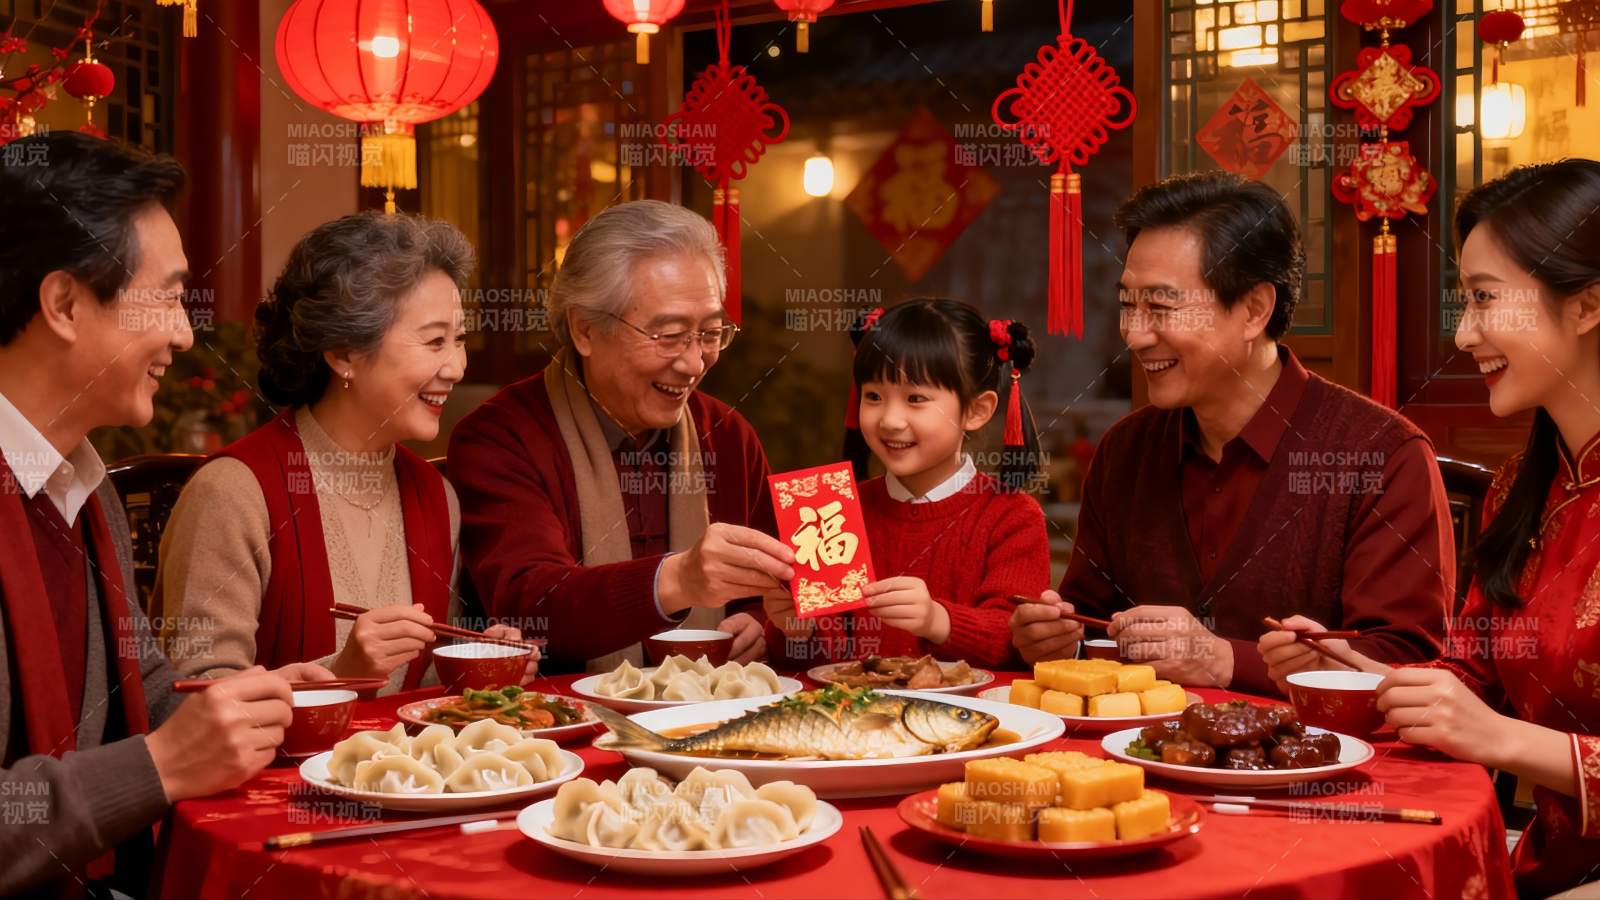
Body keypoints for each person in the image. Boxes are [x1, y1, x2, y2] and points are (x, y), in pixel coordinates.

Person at [0, 132, 330, 895]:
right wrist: (161, 765)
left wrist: (252, 701)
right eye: (170, 296)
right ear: (64, 303)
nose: (184, 334)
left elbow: (139, 684)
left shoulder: (82, 483)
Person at [1259, 159, 1600, 897]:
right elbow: (1471, 677)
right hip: (1543, 868)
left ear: (1587, 305)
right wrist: (1356, 671)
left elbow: (1486, 723)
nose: (1466, 332)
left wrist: (1503, 738)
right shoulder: (1525, 486)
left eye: (1485, 298)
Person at [1010, 171, 1452, 696]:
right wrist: (1058, 639)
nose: (1135, 334)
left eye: (1161, 306)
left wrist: (1224, 661)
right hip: (1144, 743)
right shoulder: (1126, 450)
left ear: (1254, 309)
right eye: (1129, 304)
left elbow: (1409, 666)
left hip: (1316, 749)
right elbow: (1091, 624)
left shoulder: (1382, 455)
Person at [156, 213, 534, 692]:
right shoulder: (233, 494)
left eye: (459, 339)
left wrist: (474, 667)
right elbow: (196, 698)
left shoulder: (436, 496)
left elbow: (421, 685)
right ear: (343, 354)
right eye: (435, 341)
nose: (457, 366)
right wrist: (341, 674)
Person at [449, 200, 791, 671]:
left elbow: (780, 587)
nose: (694, 363)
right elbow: (531, 604)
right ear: (585, 329)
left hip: (711, 709)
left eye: (711, 332)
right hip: (560, 714)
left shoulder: (727, 436)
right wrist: (678, 579)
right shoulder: (500, 438)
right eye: (669, 335)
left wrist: (760, 623)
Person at [766, 300, 1050, 669]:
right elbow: (815, 665)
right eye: (874, 396)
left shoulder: (1013, 516)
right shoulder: (831, 510)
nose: (890, 420)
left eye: (915, 399)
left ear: (976, 410)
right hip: (852, 706)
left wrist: (938, 620)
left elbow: (1015, 641)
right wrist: (795, 628)